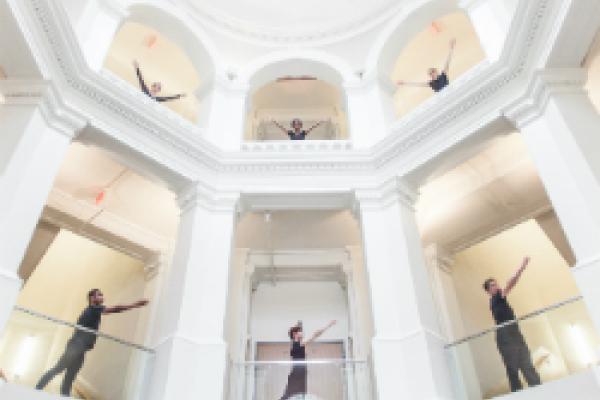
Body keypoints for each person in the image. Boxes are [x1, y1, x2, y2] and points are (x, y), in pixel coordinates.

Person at [35, 289, 149, 397]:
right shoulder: (93, 308)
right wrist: (135, 305)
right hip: (76, 345)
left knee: (70, 375)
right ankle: (37, 390)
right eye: (99, 295)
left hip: (81, 348)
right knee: (59, 369)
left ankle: (63, 396)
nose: (102, 297)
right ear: (92, 298)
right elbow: (115, 309)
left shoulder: (93, 311)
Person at [483, 257, 541, 392]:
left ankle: (538, 390)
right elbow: (511, 282)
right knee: (512, 369)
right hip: (505, 337)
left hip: (515, 334)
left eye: (496, 284)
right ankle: (518, 394)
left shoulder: (498, 299)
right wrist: (522, 266)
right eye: (492, 285)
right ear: (488, 291)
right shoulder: (496, 299)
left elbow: (508, 285)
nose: (496, 286)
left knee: (527, 364)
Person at [280, 320, 336, 400]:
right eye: (300, 332)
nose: (302, 333)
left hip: (300, 372)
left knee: (297, 393)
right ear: (295, 334)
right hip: (298, 373)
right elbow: (315, 335)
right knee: (292, 393)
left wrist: (299, 325)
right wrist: (328, 325)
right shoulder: (298, 344)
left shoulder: (296, 344)